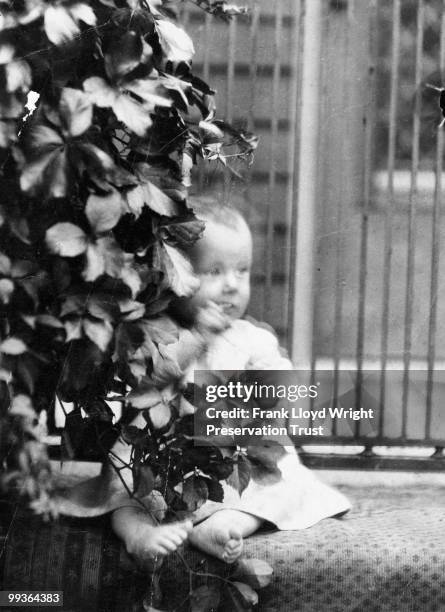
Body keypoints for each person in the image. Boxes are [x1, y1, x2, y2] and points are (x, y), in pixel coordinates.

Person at [107, 197, 351, 566]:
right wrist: (199, 337)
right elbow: (151, 380)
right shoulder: (159, 332)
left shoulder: (253, 338)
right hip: (162, 453)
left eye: (242, 271)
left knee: (284, 486)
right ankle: (138, 534)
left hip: (232, 459)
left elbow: (284, 395)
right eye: (214, 271)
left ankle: (226, 523)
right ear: (174, 275)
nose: (232, 285)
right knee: (123, 489)